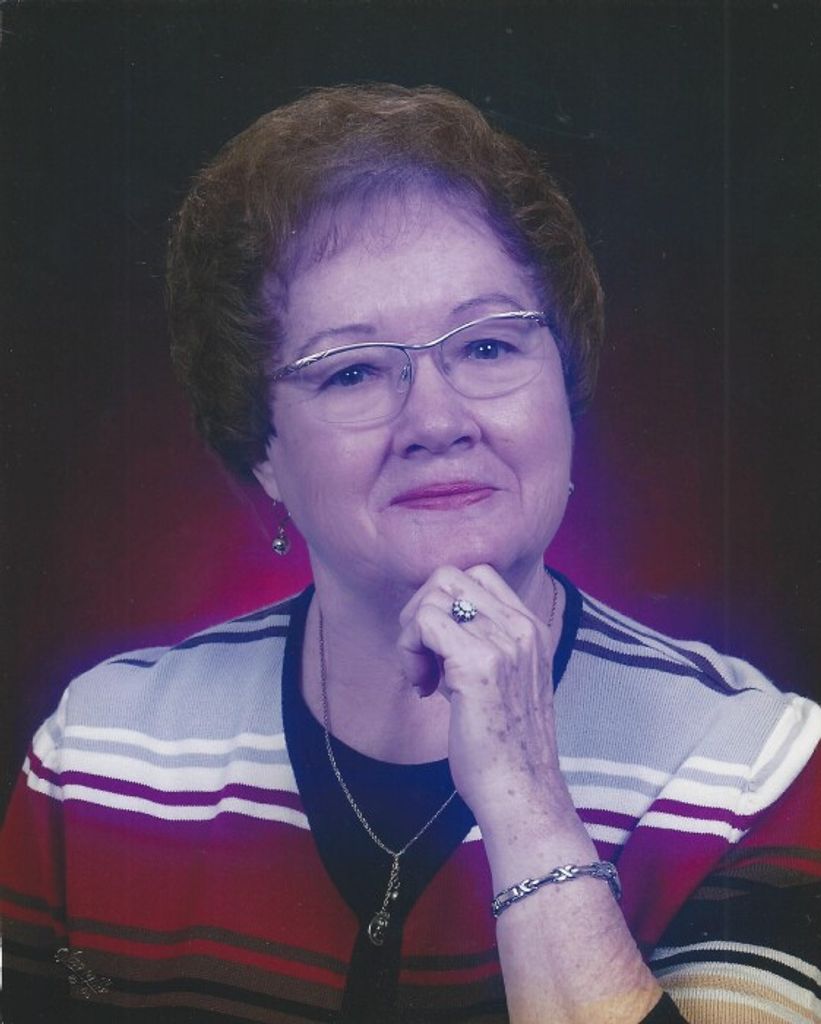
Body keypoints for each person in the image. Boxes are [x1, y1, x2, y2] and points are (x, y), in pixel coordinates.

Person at [1, 84, 819, 1024]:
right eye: (351, 370)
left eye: (487, 349)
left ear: (563, 386)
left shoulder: (750, 771)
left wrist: (525, 804)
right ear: (260, 447)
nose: (436, 419)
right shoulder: (101, 756)